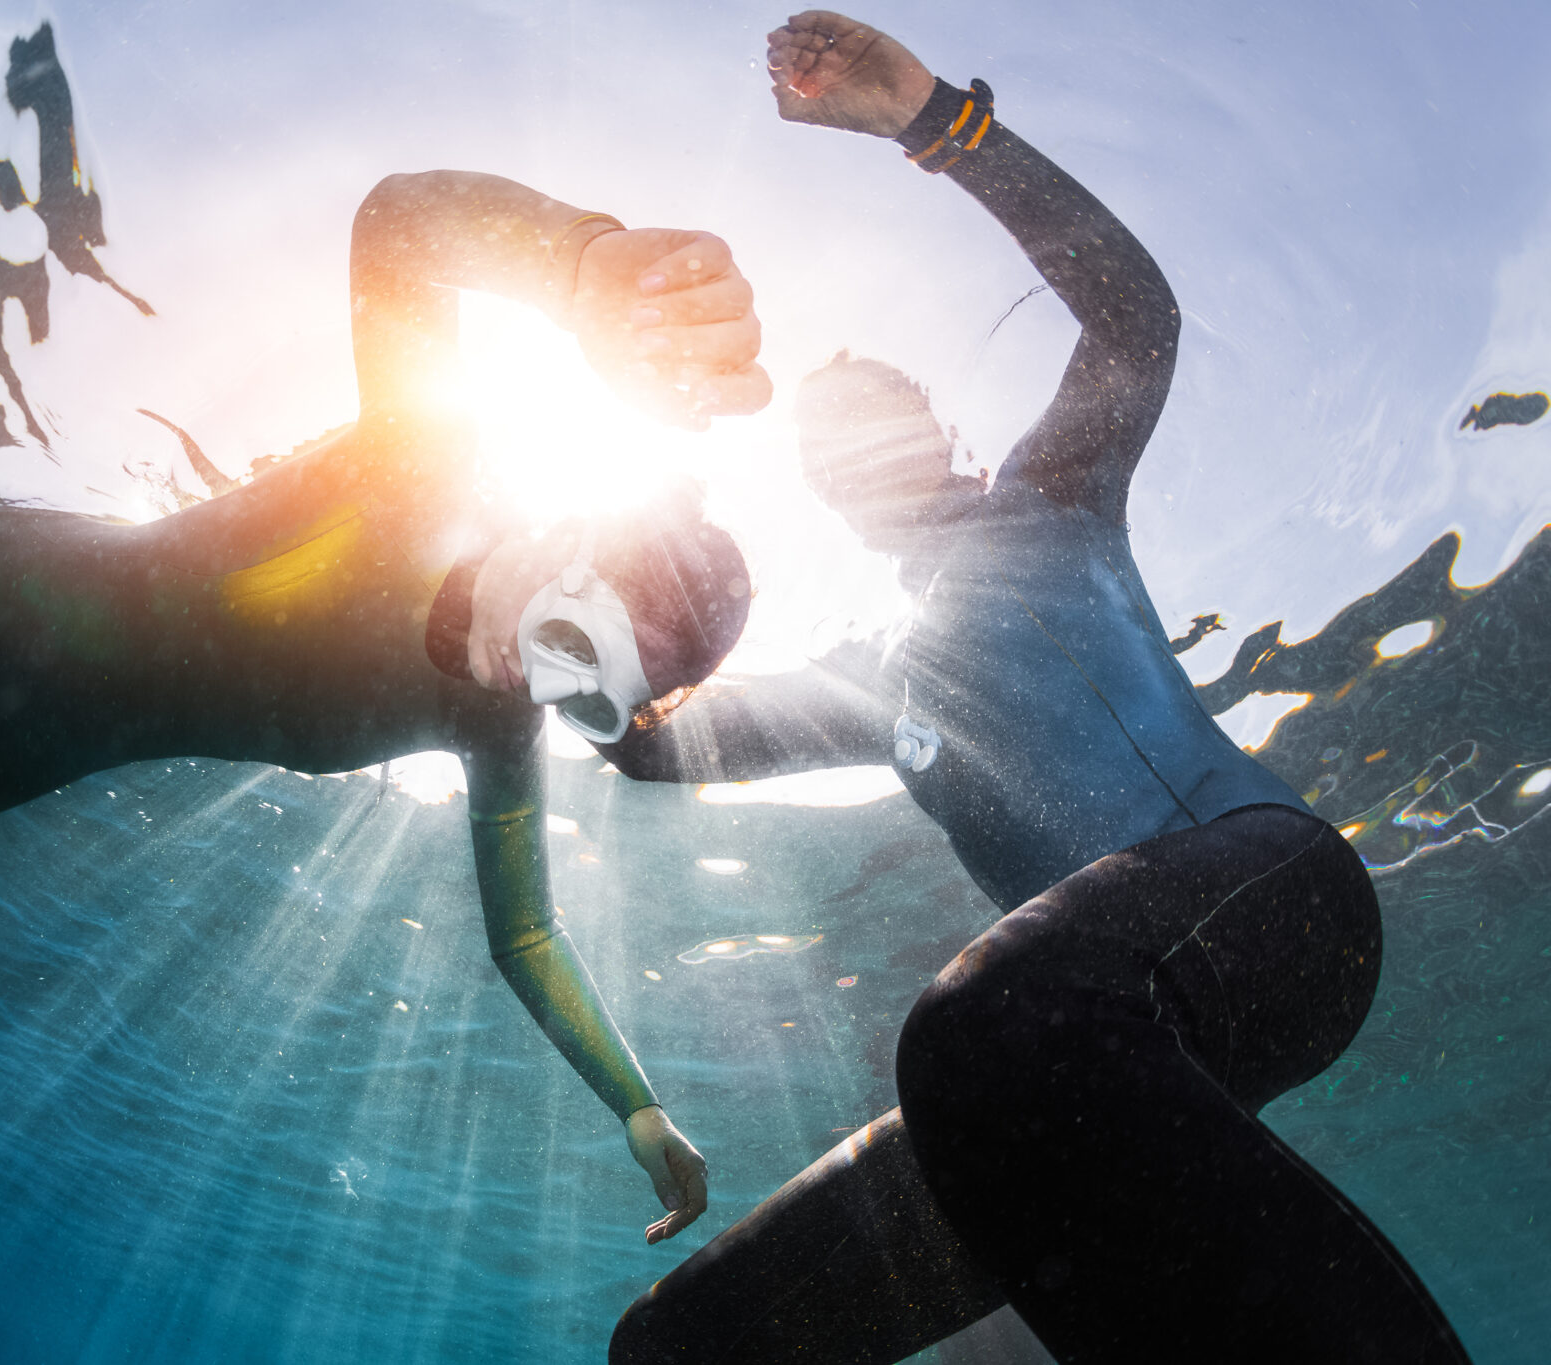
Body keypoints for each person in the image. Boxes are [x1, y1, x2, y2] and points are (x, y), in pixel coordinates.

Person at [0, 169, 773, 1246]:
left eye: (595, 707)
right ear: (569, 536)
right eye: (578, 644)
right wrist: (579, 261)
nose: (541, 691)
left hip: (60, 738)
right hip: (0, 592)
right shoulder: (426, 460)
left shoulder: (491, 726)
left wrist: (637, 1105)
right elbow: (397, 224)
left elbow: (524, 938)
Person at [604, 12, 1472, 1362]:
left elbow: (1134, 312)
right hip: (1101, 1047)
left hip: (1282, 900)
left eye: (878, 412)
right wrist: (574, 643)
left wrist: (937, 122)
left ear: (944, 428)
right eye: (827, 451)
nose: (854, 450)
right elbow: (651, 751)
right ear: (821, 503)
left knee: (987, 1026)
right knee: (686, 1344)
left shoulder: (1049, 498)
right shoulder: (866, 681)